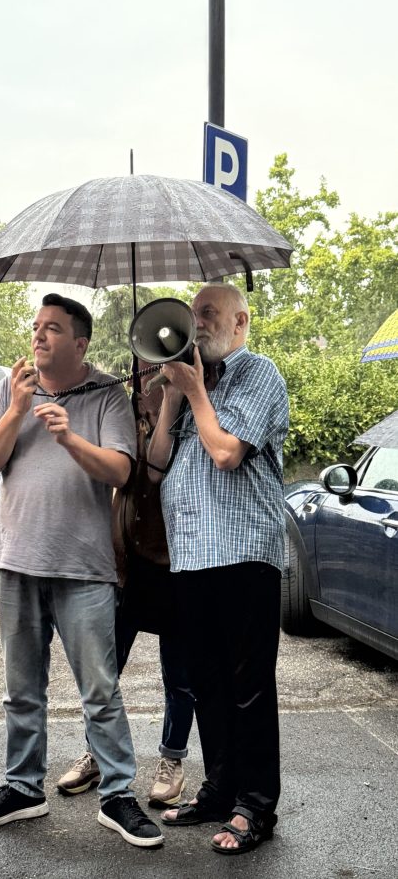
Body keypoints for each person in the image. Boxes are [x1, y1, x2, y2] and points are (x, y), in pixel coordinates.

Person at [0, 293, 163, 848]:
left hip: (83, 566)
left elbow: (123, 469)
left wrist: (68, 436)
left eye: (52, 328)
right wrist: (16, 410)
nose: (39, 335)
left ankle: (118, 794)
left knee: (100, 688)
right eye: (35, 326)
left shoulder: (107, 394)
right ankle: (23, 788)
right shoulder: (12, 387)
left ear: (81, 342)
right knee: (21, 688)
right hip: (17, 560)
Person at [147, 282, 289, 856]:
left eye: (208, 314)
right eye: (193, 315)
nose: (197, 323)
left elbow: (227, 454)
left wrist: (198, 394)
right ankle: (219, 789)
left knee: (247, 689)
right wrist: (172, 402)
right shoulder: (187, 386)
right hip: (192, 558)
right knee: (206, 686)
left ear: (240, 322)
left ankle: (255, 806)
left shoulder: (258, 374)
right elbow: (156, 467)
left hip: (243, 556)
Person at [57, 362, 194, 810]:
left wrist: (171, 402)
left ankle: (172, 760)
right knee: (105, 671)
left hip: (177, 563)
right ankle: (98, 751)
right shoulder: (122, 412)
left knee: (180, 675)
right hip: (127, 563)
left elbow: (160, 469)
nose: (147, 379)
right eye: (141, 371)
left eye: (156, 370)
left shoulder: (192, 410)